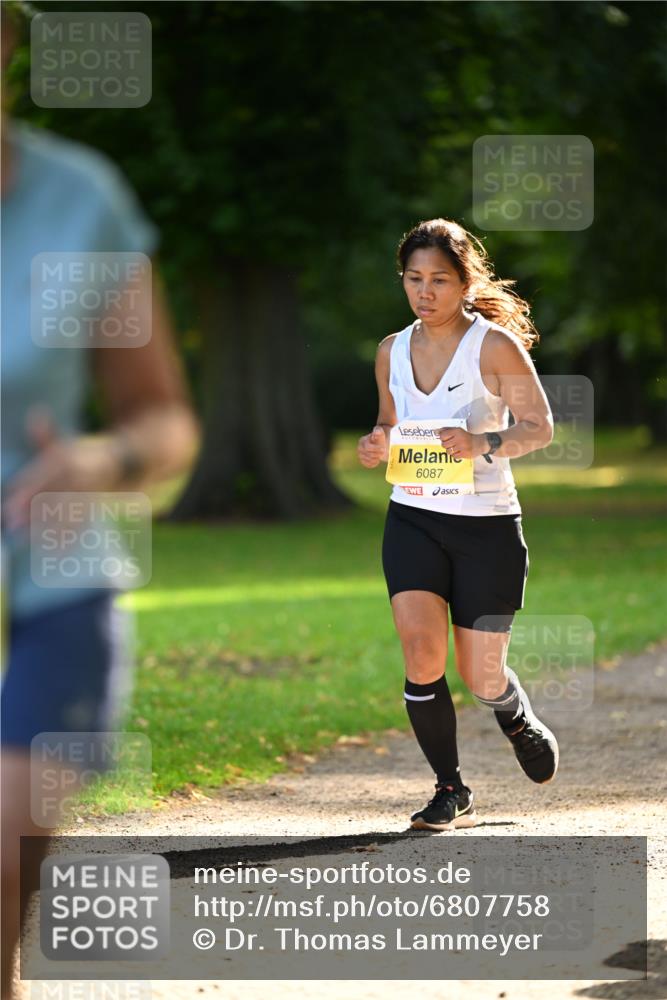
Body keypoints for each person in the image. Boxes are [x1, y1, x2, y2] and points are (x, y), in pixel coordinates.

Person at [0, 11, 200, 995]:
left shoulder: (81, 203)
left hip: (51, 573)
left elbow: (164, 417)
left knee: (1, 854)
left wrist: (101, 454)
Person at [358, 218, 558, 831]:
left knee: (481, 673)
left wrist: (480, 441)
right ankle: (450, 788)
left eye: (439, 280)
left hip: (486, 528)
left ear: (463, 282)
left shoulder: (493, 346)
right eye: (414, 279)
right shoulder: (391, 350)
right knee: (421, 654)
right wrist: (377, 444)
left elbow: (540, 428)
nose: (425, 291)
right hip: (413, 518)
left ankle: (514, 714)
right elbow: (391, 426)